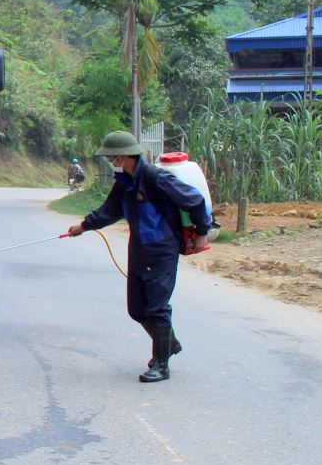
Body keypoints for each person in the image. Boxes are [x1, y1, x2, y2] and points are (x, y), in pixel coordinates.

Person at [65, 130, 213, 384]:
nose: (111, 162)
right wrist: (84, 225)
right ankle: (168, 343)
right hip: (139, 249)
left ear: (123, 156)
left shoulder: (156, 178)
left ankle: (161, 364)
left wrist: (202, 232)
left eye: (113, 157)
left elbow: (195, 201)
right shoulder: (124, 182)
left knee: (156, 308)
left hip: (162, 250)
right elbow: (109, 211)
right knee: (136, 309)